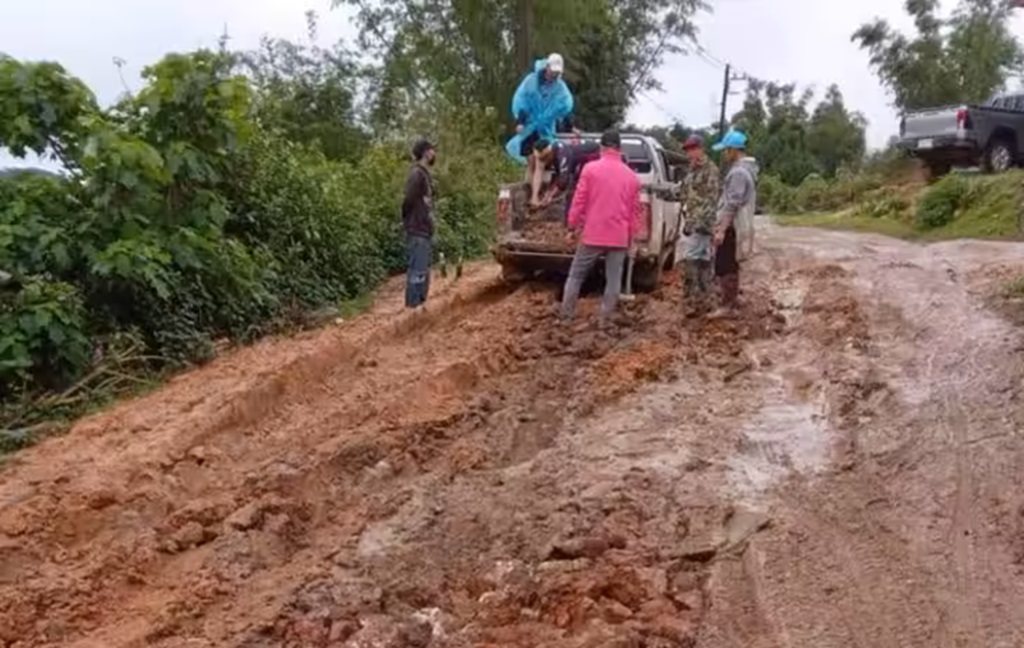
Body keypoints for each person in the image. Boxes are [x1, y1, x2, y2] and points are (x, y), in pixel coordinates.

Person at [558, 129, 641, 326]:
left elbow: (579, 200)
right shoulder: (631, 176)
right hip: (619, 237)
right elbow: (635, 212)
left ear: (602, 147)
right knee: (614, 279)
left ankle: (566, 316)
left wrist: (571, 226)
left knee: (576, 275)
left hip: (593, 234)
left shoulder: (590, 169)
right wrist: (633, 238)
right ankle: (605, 318)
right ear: (619, 149)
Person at [710, 129, 756, 318]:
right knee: (731, 263)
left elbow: (732, 203)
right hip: (735, 225)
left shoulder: (738, 173)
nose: (724, 154)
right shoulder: (746, 170)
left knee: (725, 264)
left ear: (733, 150)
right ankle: (732, 300)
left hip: (732, 226)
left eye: (726, 150)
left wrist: (722, 229)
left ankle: (727, 306)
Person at [505, 53, 574, 167]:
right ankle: (528, 179)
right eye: (553, 71)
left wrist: (569, 125)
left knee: (543, 156)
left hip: (545, 129)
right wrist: (520, 121)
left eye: (557, 73)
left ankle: (537, 179)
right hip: (529, 125)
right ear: (547, 67)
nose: (554, 75)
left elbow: (565, 105)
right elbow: (521, 100)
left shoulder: (559, 87)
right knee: (527, 154)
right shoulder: (531, 81)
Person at [679, 134, 720, 317]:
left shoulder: (710, 170)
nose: (689, 153)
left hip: (702, 222)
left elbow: (711, 199)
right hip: (694, 220)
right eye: (687, 150)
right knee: (703, 259)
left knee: (691, 257)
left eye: (692, 149)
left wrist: (697, 222)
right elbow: (685, 191)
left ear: (700, 149)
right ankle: (704, 298)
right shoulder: (692, 170)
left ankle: (691, 300)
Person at [401, 139, 436, 308]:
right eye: (431, 150)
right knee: (417, 269)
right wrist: (409, 220)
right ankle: (412, 307)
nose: (433, 153)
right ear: (425, 152)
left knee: (423, 269)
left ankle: (420, 304)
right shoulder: (417, 174)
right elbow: (408, 200)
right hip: (417, 229)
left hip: (424, 228)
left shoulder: (424, 174)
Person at [530, 137, 600, 212]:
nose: (543, 162)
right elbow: (549, 174)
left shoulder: (562, 154)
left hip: (592, 156)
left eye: (544, 159)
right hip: (577, 162)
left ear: (550, 154)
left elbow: (563, 181)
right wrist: (539, 195)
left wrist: (550, 196)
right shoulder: (550, 154)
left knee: (577, 189)